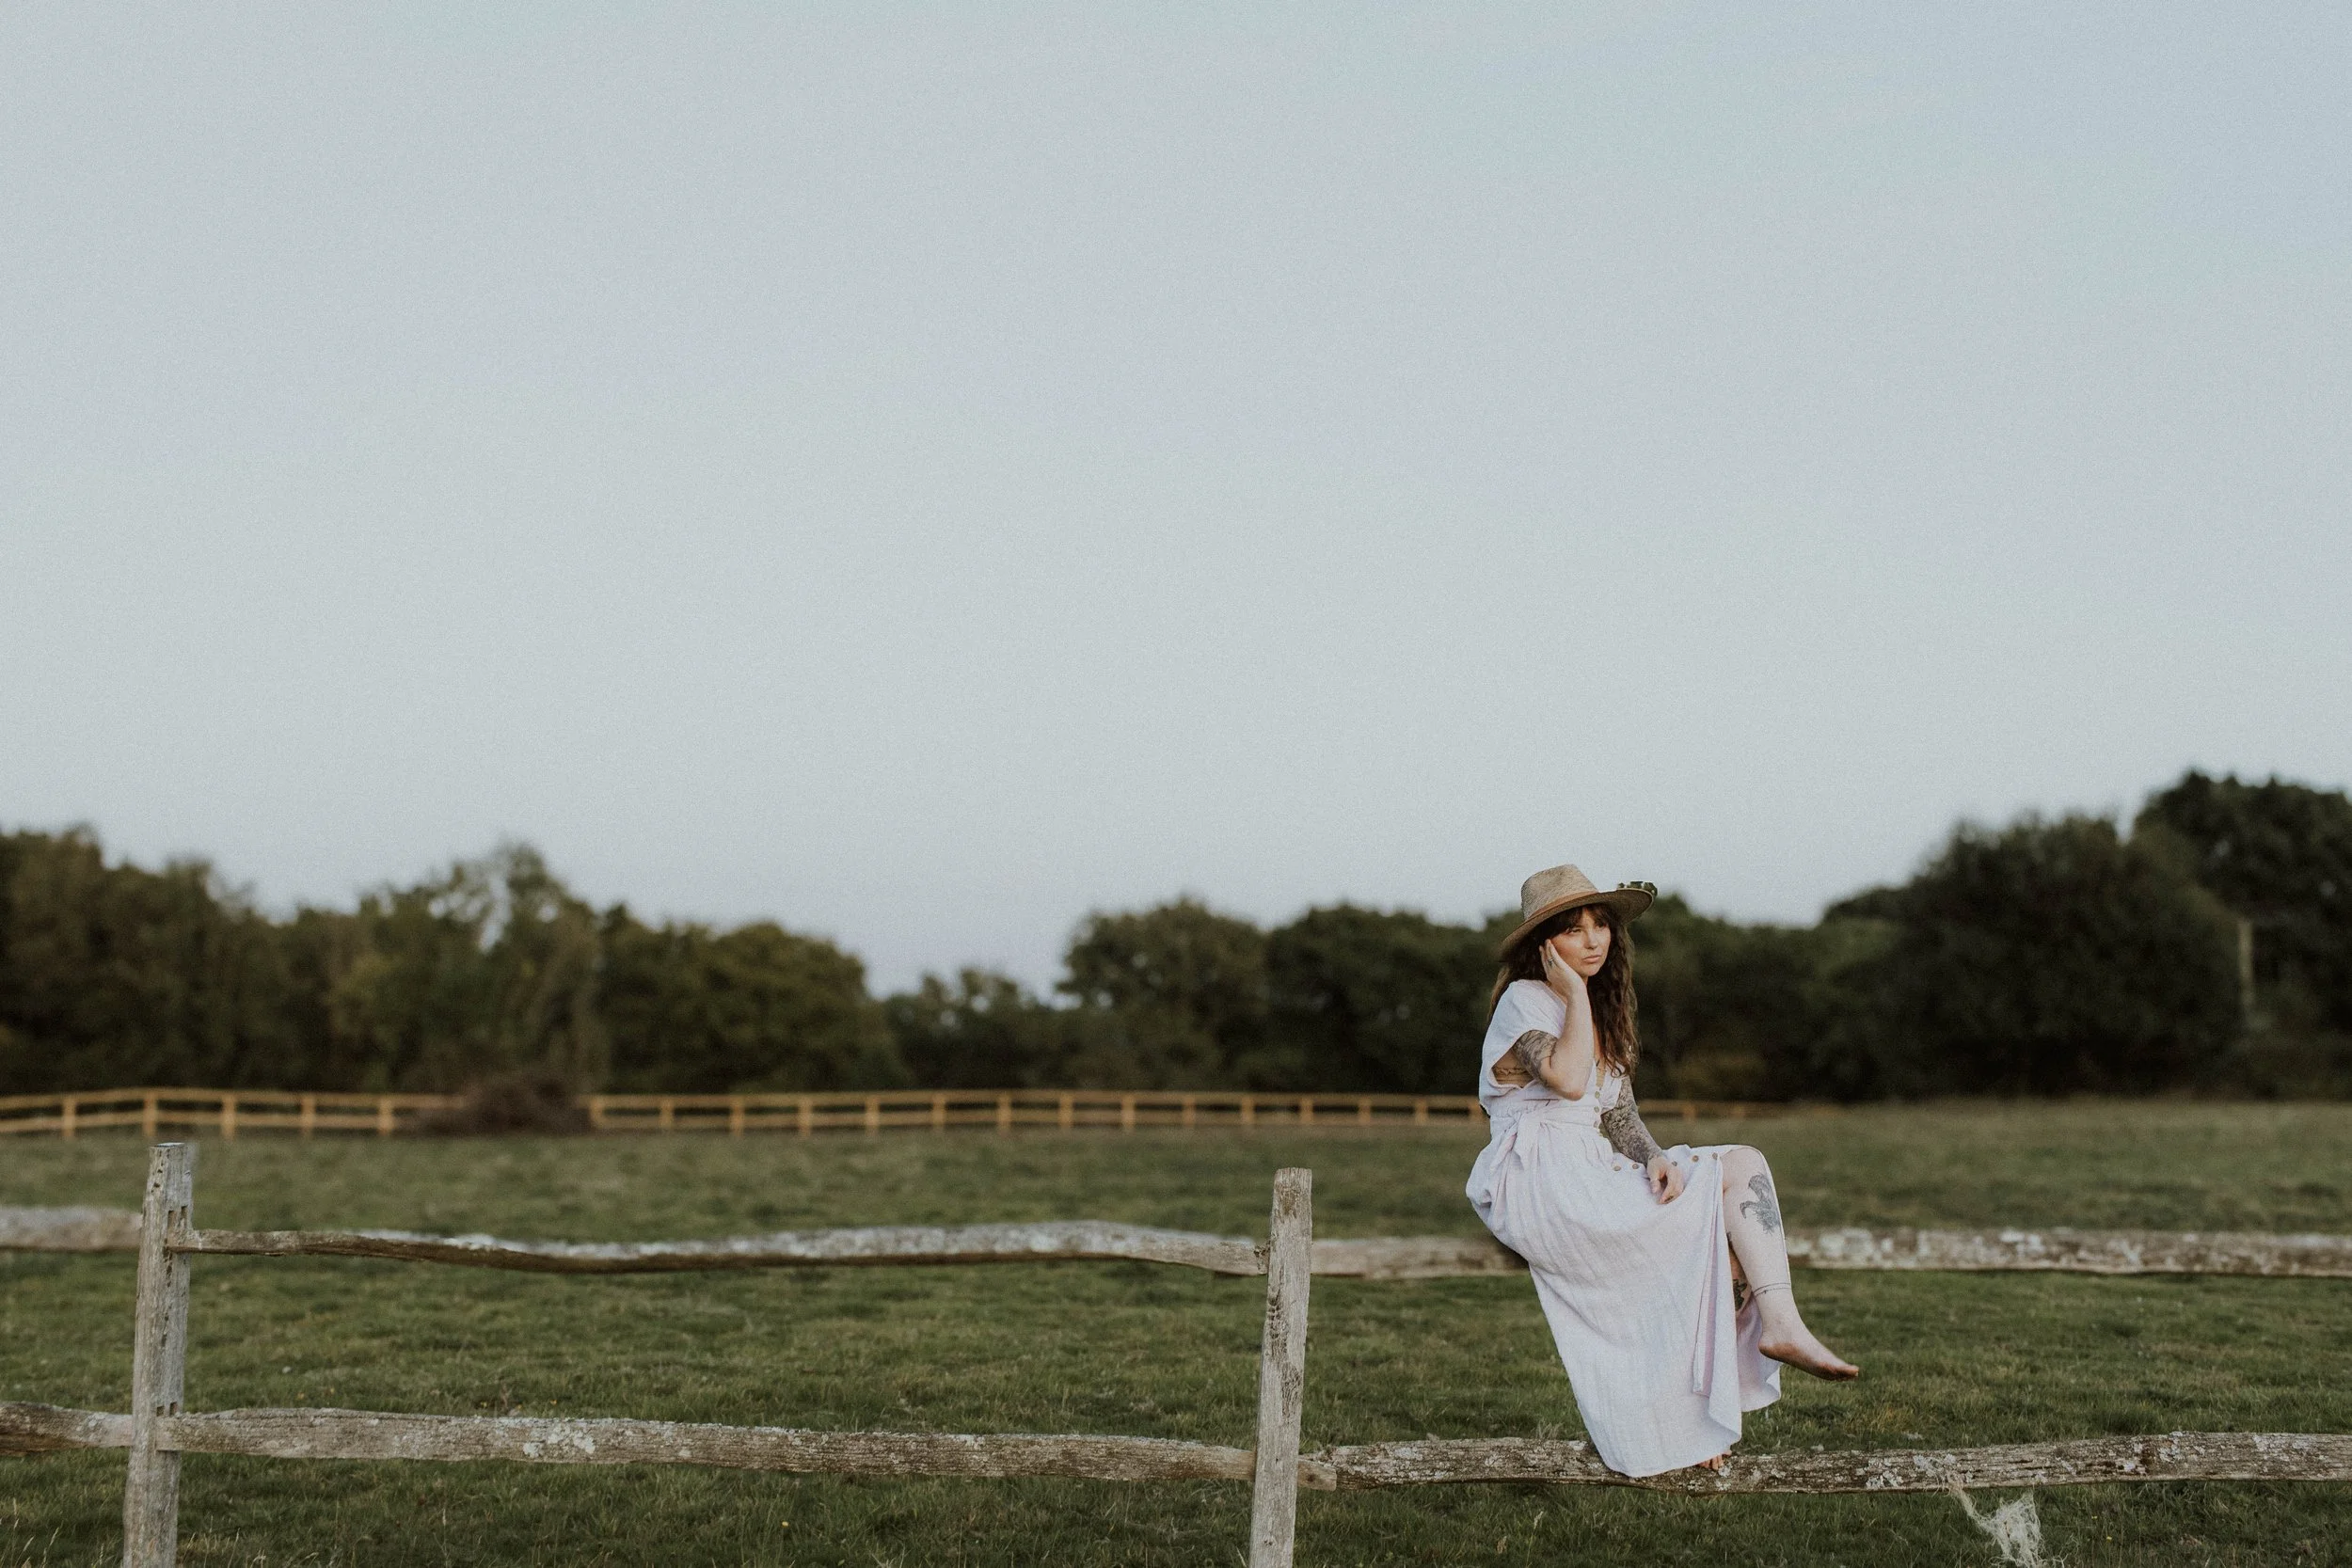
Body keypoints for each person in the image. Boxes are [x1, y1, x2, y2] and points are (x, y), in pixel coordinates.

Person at [1467, 863, 1858, 1479]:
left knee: (1738, 1177)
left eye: (1601, 925)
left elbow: (1620, 1117)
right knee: (1695, 1245)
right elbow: (1568, 1082)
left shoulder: (1599, 1012)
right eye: (1574, 929)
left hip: (1590, 1169)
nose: (1594, 940)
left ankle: (1778, 1327)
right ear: (1544, 946)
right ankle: (1691, 1421)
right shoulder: (1527, 1001)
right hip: (1539, 1179)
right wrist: (1570, 993)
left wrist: (1654, 1161)